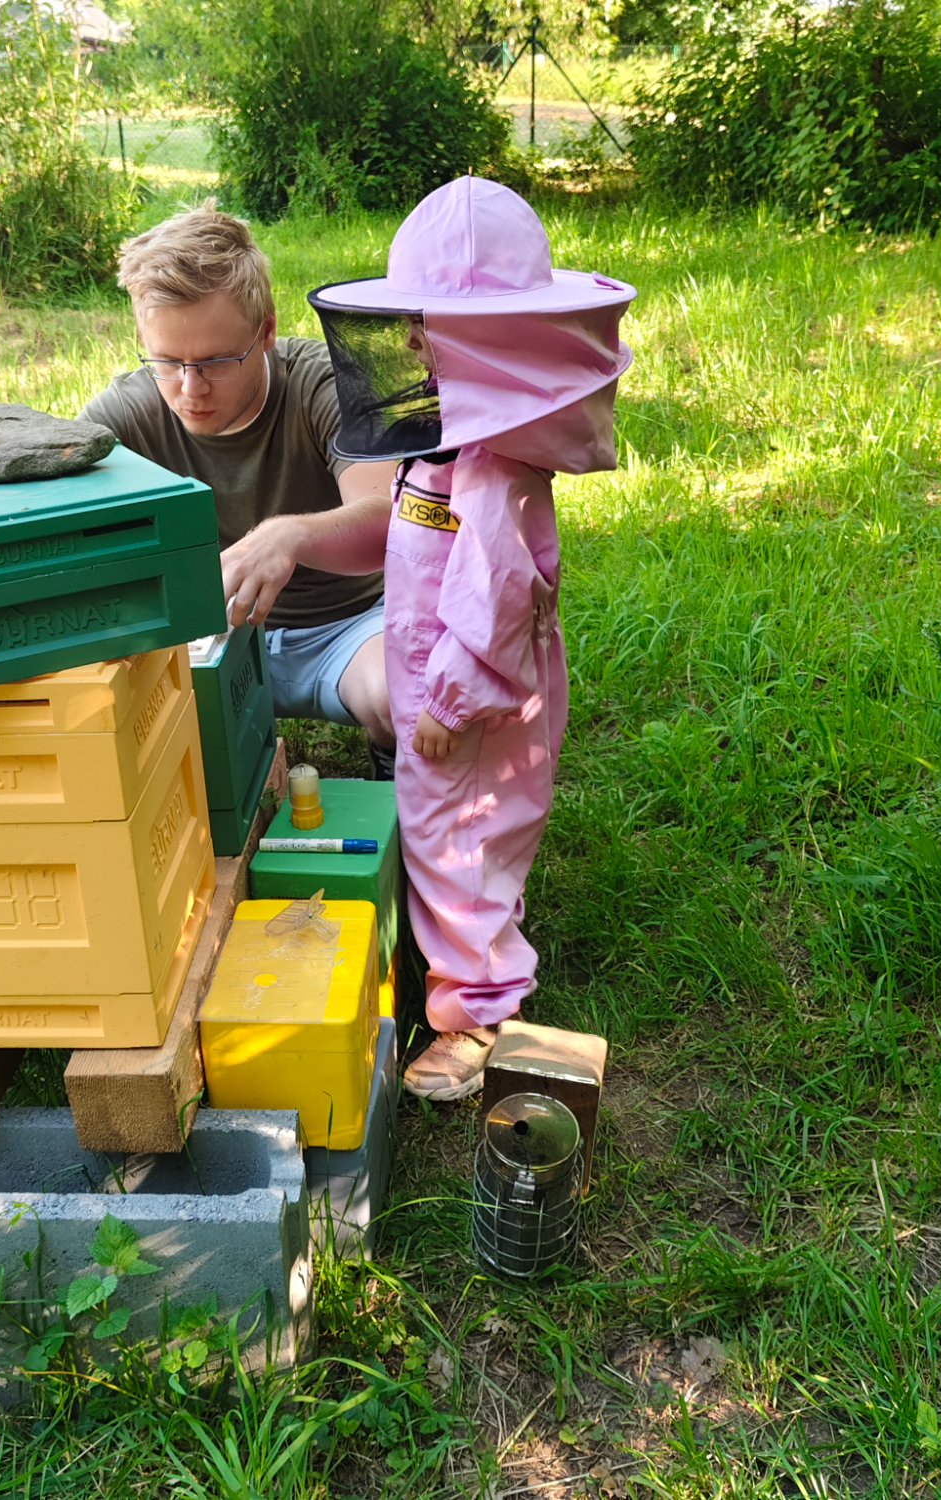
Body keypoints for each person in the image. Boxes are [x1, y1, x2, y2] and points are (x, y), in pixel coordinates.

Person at [308, 177, 635, 1100]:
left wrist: (448, 704)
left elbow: (494, 594)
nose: (410, 344)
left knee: (459, 839)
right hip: (444, 690)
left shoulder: (498, 466)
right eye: (410, 324)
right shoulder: (452, 442)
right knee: (464, 836)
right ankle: (472, 950)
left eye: (429, 326)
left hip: (471, 700)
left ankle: (477, 1014)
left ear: (491, 340)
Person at [81, 203, 397, 756]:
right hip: (198, 642)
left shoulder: (326, 386)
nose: (190, 388)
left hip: (348, 629)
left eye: (217, 361)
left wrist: (287, 537)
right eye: (167, 361)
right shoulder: (125, 414)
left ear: (267, 329)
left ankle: (397, 793)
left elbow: (387, 520)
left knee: (404, 694)